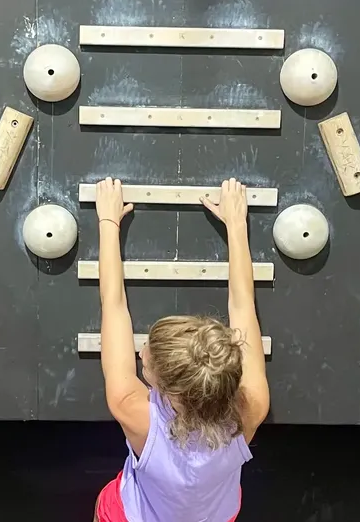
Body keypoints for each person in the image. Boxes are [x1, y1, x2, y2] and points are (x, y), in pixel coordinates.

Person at [92, 177, 271, 522]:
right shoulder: (249, 409)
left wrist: (108, 223)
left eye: (147, 359)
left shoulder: (135, 414)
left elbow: (112, 306)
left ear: (166, 389)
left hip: (132, 517)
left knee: (109, 502)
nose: (142, 353)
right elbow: (243, 303)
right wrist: (236, 226)